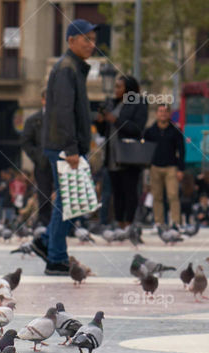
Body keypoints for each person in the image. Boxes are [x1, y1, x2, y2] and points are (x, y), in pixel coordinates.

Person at [35, 18, 98, 275]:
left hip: (65, 146)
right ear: (71, 40)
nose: (92, 44)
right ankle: (56, 258)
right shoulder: (66, 68)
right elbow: (62, 111)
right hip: (63, 147)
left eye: (93, 39)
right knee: (68, 201)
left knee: (70, 199)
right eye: (87, 38)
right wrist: (72, 148)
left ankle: (47, 243)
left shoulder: (74, 67)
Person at [95, 75, 148, 228]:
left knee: (130, 191)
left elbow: (137, 128)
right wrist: (100, 122)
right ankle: (119, 223)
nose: (115, 90)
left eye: (119, 87)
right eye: (116, 87)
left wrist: (115, 120)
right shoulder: (112, 103)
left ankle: (129, 223)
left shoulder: (139, 102)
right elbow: (103, 131)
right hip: (112, 156)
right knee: (116, 192)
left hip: (129, 155)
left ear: (128, 89)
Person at [144, 103, 186, 227]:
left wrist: (180, 169)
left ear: (169, 114)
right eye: (160, 111)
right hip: (155, 167)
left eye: (165, 111)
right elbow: (145, 148)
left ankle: (176, 223)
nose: (163, 114)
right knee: (157, 197)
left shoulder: (176, 131)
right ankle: (159, 223)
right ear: (157, 114)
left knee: (173, 196)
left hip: (171, 168)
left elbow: (181, 150)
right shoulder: (150, 131)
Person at [20, 90, 53, 226]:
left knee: (63, 195)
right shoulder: (33, 120)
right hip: (43, 164)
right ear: (43, 100)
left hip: (60, 162)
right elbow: (25, 142)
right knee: (44, 194)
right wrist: (38, 156)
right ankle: (45, 223)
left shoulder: (63, 118)